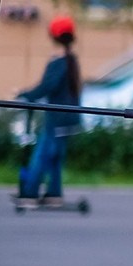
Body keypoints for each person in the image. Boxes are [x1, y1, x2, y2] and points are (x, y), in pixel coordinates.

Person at [17, 14, 81, 201]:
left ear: (53, 36)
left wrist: (25, 95)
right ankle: (54, 192)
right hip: (70, 117)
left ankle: (30, 191)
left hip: (57, 117)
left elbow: (47, 86)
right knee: (55, 156)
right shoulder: (71, 60)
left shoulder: (58, 62)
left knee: (43, 154)